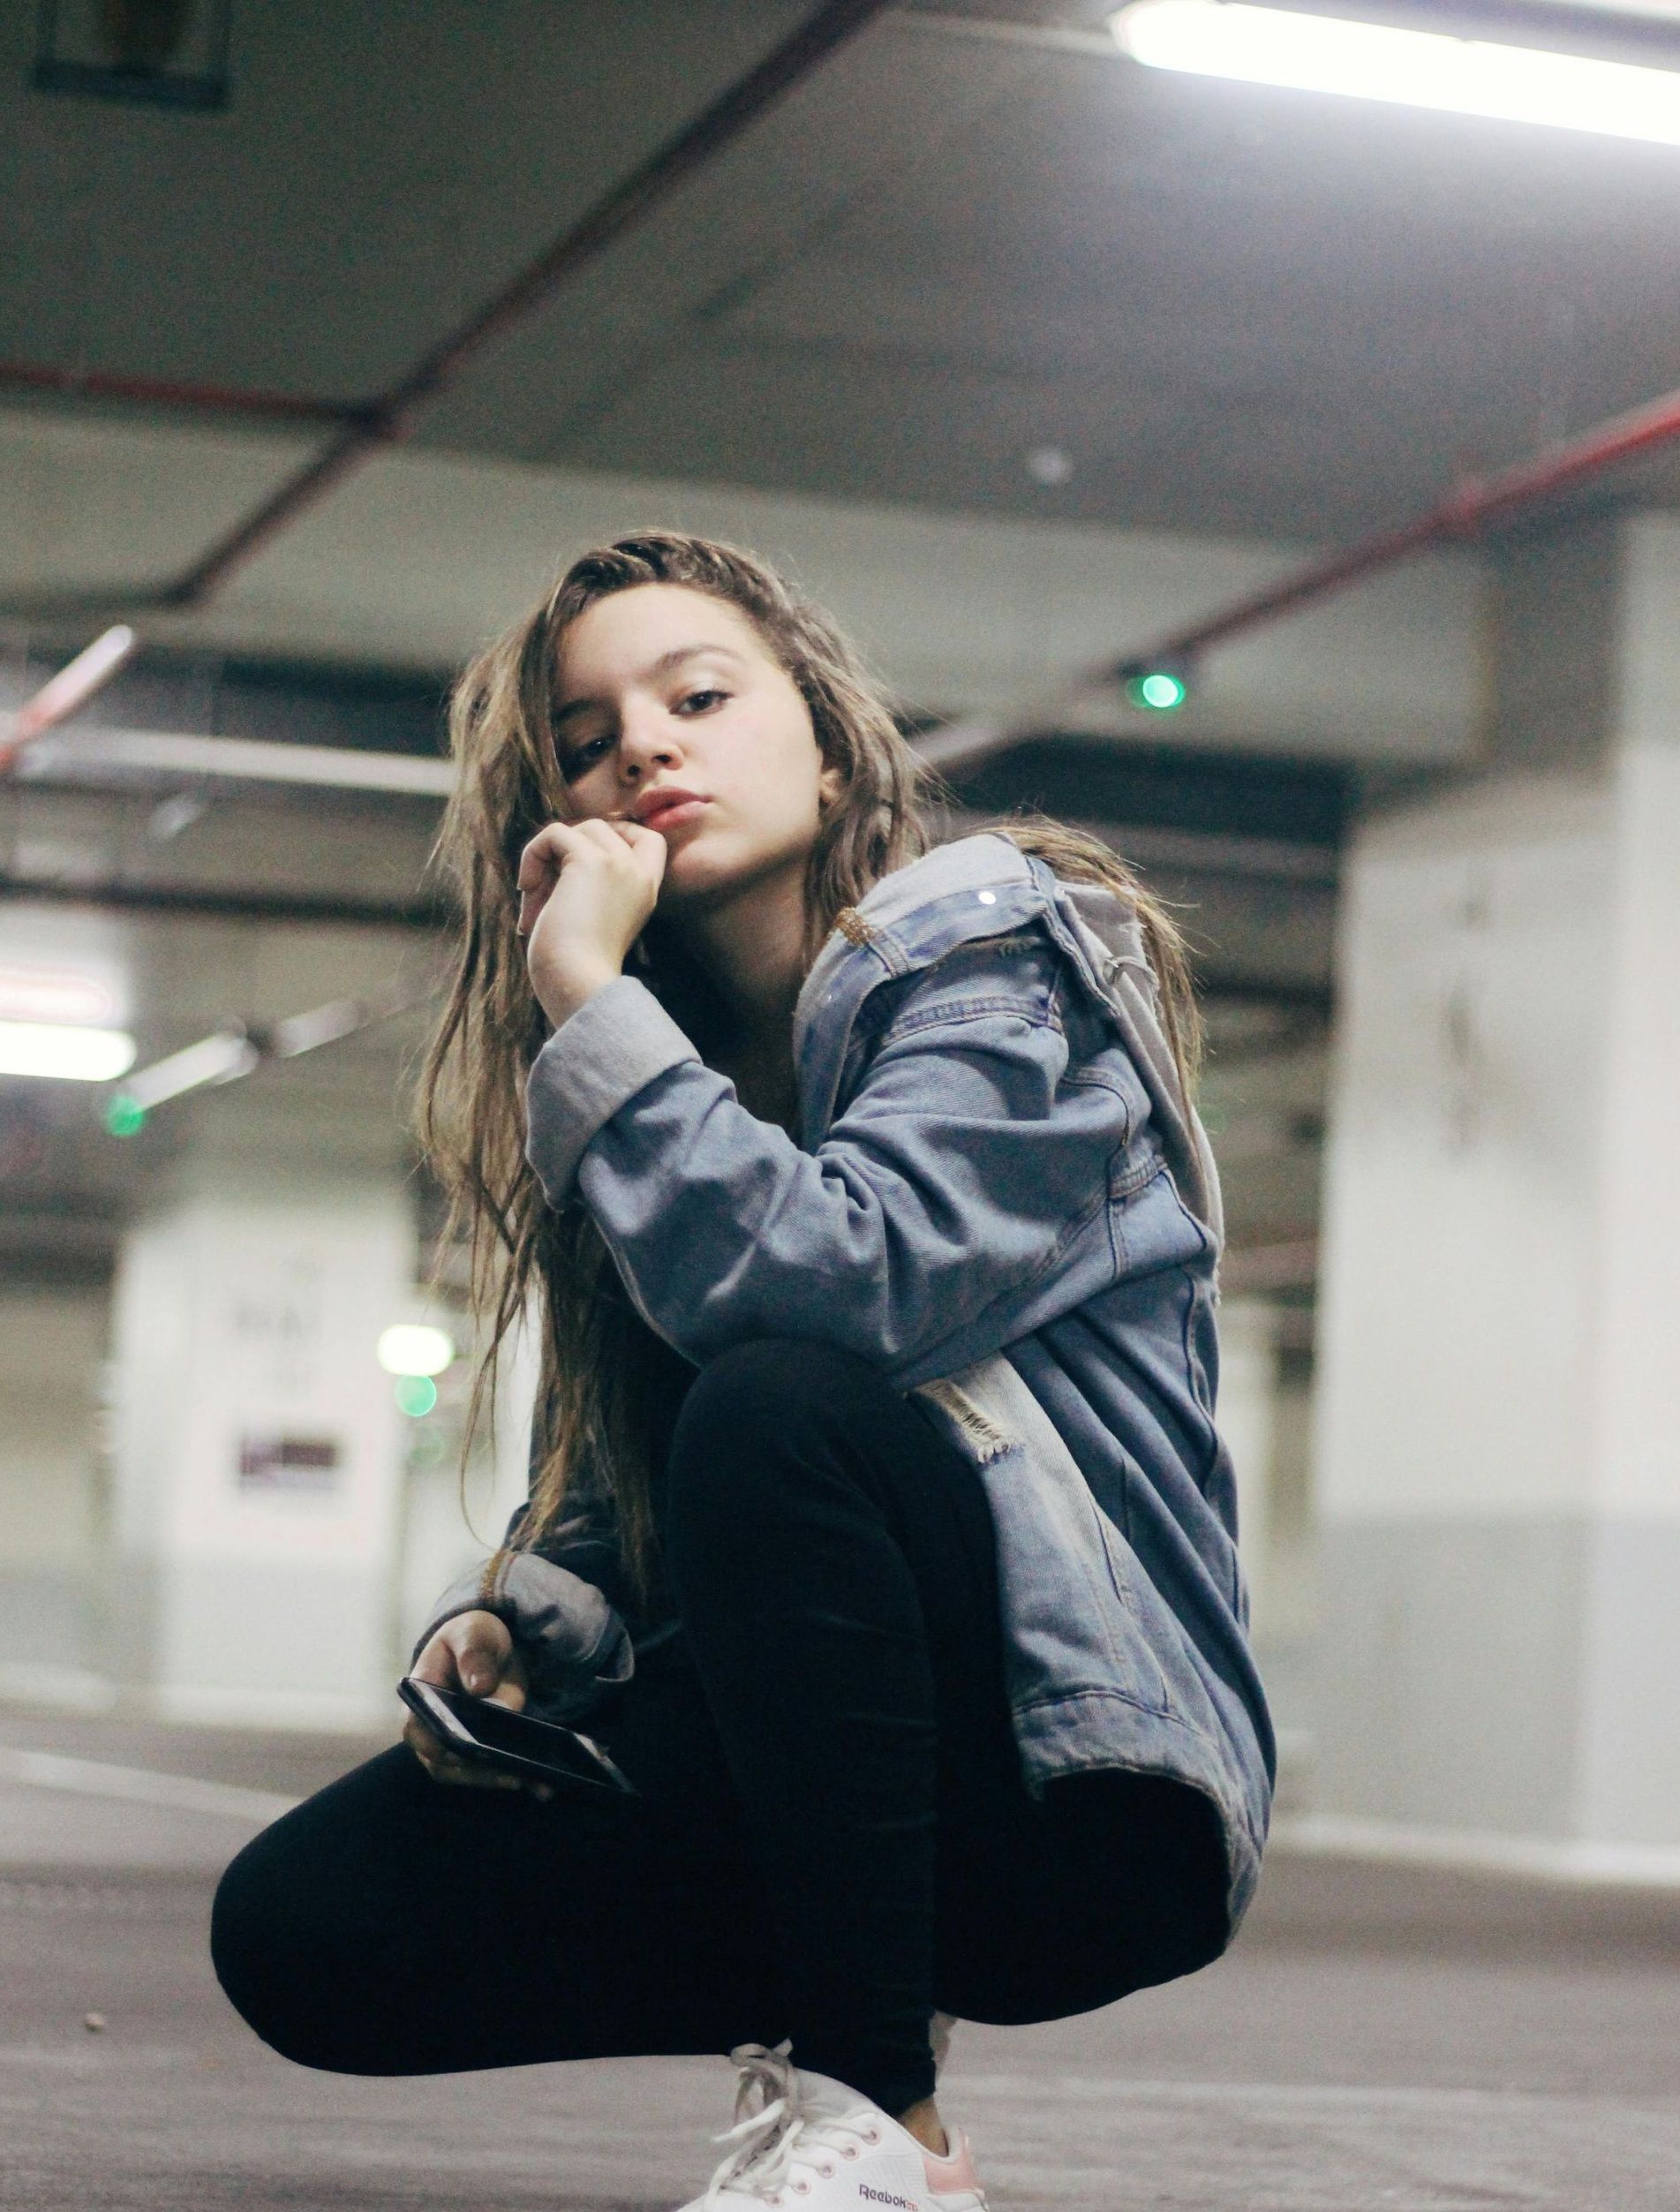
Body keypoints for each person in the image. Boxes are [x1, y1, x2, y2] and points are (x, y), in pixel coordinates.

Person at [210, 530, 1275, 2211]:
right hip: (840, 1777)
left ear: (833, 741)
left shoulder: (995, 964)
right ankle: (843, 2007)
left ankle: (883, 2119)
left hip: (1081, 1796)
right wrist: (530, 1618)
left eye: (698, 694)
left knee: (784, 1398)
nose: (642, 744)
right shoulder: (660, 1101)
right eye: (585, 735)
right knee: (307, 1927)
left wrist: (584, 999)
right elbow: (628, 1501)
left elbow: (846, 1292)